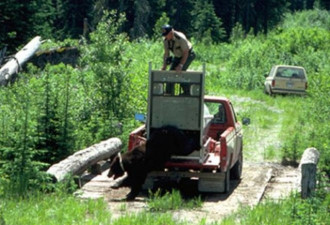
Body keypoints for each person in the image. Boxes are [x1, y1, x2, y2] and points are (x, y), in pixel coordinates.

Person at [161, 25, 195, 94]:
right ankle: (169, 93)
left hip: (188, 55)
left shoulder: (180, 38)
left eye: (166, 35)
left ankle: (188, 92)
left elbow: (186, 52)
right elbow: (166, 53)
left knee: (180, 72)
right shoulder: (166, 40)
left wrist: (181, 65)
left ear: (171, 33)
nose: (165, 37)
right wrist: (164, 66)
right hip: (177, 56)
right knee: (170, 74)